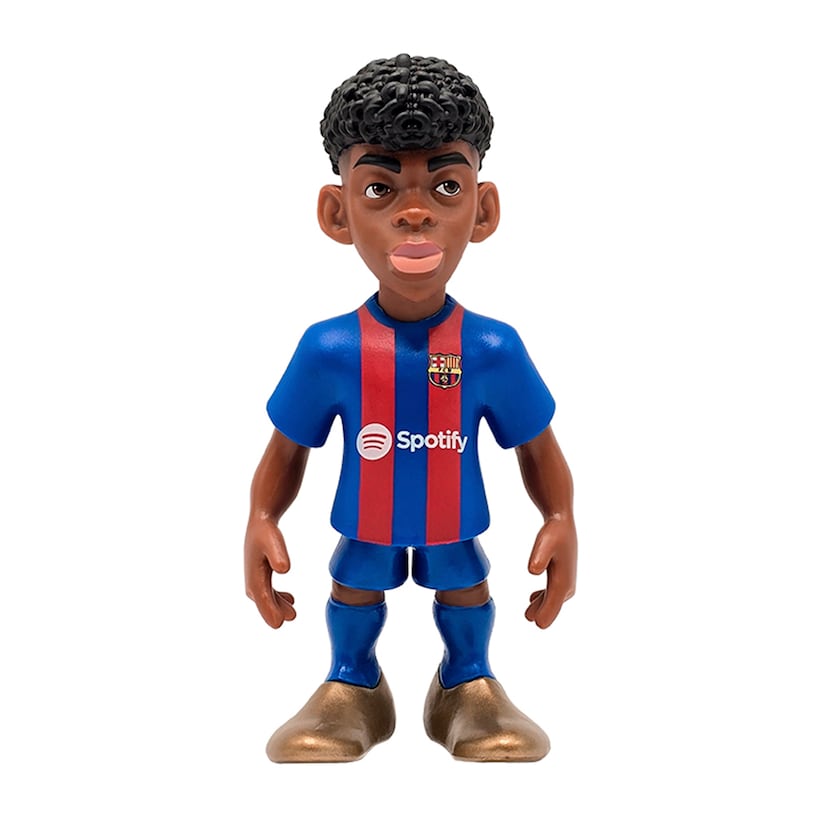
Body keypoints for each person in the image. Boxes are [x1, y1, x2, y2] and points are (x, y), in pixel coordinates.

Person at [244, 54, 577, 762]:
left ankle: (467, 683)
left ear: (482, 210)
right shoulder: (330, 349)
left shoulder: (492, 348)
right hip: (366, 520)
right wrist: (261, 520)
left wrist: (560, 519)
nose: (416, 212)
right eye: (380, 188)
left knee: (464, 588)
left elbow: (537, 446)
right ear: (337, 213)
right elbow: (287, 448)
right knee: (354, 587)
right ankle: (352, 684)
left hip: (454, 520)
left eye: (446, 186)